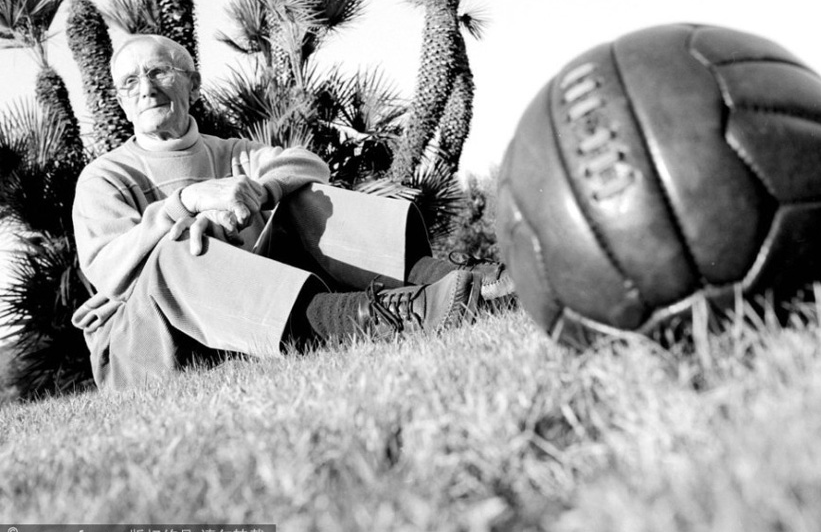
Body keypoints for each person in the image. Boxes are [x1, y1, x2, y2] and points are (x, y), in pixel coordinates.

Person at [71, 34, 511, 390]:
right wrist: (186, 204)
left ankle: (447, 279)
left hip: (242, 321)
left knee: (299, 193)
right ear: (121, 100)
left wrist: (259, 192)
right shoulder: (104, 177)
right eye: (129, 81)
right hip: (148, 344)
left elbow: (308, 163)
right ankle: (370, 317)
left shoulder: (230, 152)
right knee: (179, 251)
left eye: (158, 72)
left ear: (193, 83)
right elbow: (107, 269)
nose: (145, 88)